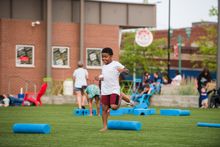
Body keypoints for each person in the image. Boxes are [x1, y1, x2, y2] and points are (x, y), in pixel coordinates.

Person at [99, 47, 128, 132]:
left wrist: (122, 70)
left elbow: (127, 71)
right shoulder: (103, 67)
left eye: (106, 56)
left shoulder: (116, 64)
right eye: (102, 57)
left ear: (111, 56)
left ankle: (121, 96)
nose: (104, 58)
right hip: (104, 90)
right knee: (104, 109)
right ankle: (105, 126)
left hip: (114, 89)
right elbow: (104, 77)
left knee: (114, 107)